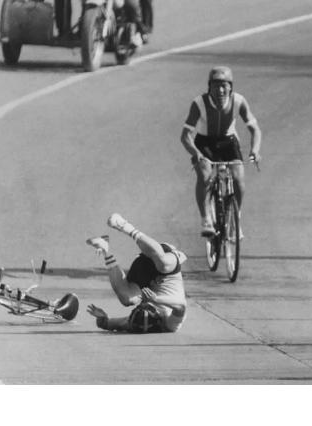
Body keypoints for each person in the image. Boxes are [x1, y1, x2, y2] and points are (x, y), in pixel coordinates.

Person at [181, 66, 262, 237]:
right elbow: (185, 136)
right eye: (215, 86)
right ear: (209, 87)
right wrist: (196, 153)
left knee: (239, 178)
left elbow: (255, 130)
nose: (220, 90)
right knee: (204, 175)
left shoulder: (239, 101)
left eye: (224, 85)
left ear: (231, 87)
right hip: (204, 142)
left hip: (228, 141)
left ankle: (235, 218)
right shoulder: (199, 103)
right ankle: (206, 219)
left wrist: (255, 150)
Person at [86, 213, 188, 333]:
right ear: (158, 318)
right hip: (165, 267)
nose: (143, 304)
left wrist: (102, 317)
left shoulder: (133, 323)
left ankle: (105, 248)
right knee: (164, 265)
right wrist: (156, 299)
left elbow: (106, 324)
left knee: (127, 299)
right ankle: (126, 227)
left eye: (140, 307)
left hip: (144, 274)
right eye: (147, 307)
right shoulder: (170, 325)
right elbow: (181, 306)